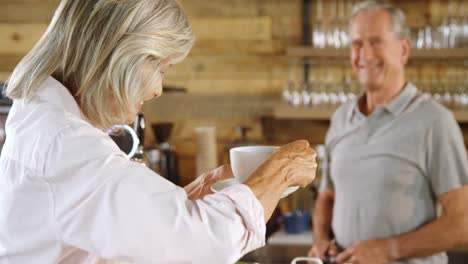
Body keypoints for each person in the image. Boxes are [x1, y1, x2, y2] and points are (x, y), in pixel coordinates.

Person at [0, 1, 318, 263]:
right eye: (160, 68)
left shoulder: (41, 117)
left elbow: (95, 225)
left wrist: (179, 203)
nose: (157, 90)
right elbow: (206, 245)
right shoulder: (67, 146)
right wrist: (279, 171)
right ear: (120, 57)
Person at [308, 1, 468, 264]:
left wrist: (389, 249)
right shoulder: (340, 118)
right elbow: (327, 196)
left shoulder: (435, 121)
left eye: (376, 42)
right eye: (357, 43)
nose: (365, 54)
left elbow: (462, 223)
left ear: (403, 49)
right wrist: (320, 240)